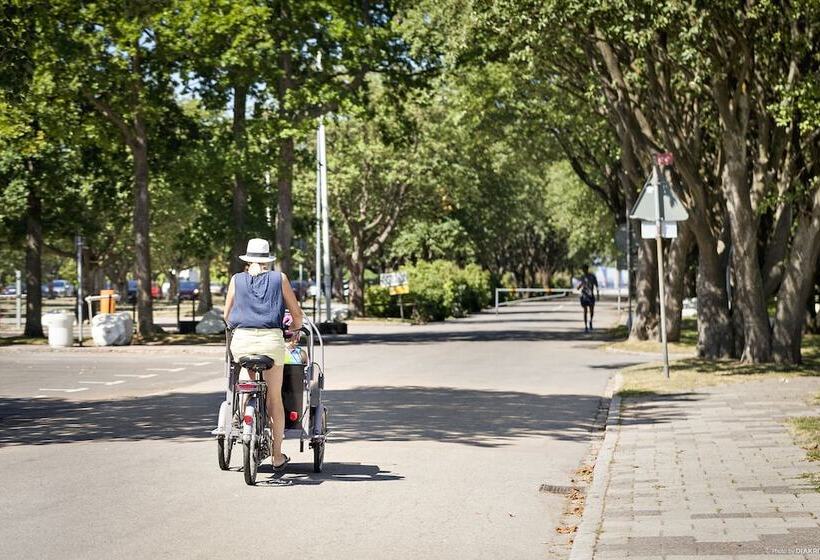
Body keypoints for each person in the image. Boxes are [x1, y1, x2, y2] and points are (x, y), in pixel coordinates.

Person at [224, 238, 304, 470]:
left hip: (242, 341)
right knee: (274, 398)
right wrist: (295, 330)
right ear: (268, 260)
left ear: (247, 260)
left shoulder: (236, 280)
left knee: (245, 380)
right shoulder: (280, 279)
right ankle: (277, 455)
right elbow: (296, 313)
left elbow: (227, 315)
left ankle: (242, 411)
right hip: (271, 342)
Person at [578, 267, 599, 333]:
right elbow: (581, 284)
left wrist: (598, 295)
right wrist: (579, 287)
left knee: (591, 310)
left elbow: (596, 285)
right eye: (583, 270)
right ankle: (586, 326)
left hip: (591, 296)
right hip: (584, 296)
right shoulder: (582, 277)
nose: (584, 271)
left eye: (585, 269)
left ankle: (590, 321)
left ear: (587, 269)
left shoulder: (592, 277)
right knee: (585, 311)